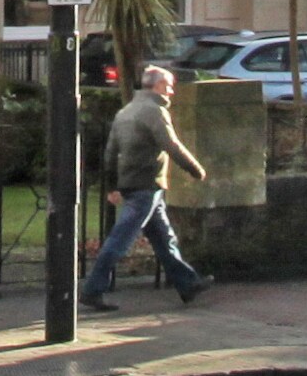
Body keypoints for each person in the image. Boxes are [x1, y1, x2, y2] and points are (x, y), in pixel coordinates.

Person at [81, 64, 215, 312]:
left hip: (135, 183)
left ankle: (188, 284)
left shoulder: (126, 111)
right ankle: (92, 289)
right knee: (119, 240)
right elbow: (171, 144)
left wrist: (112, 185)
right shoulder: (154, 111)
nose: (172, 92)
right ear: (157, 85)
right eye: (169, 86)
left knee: (165, 239)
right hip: (146, 185)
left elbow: (110, 152)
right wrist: (196, 169)